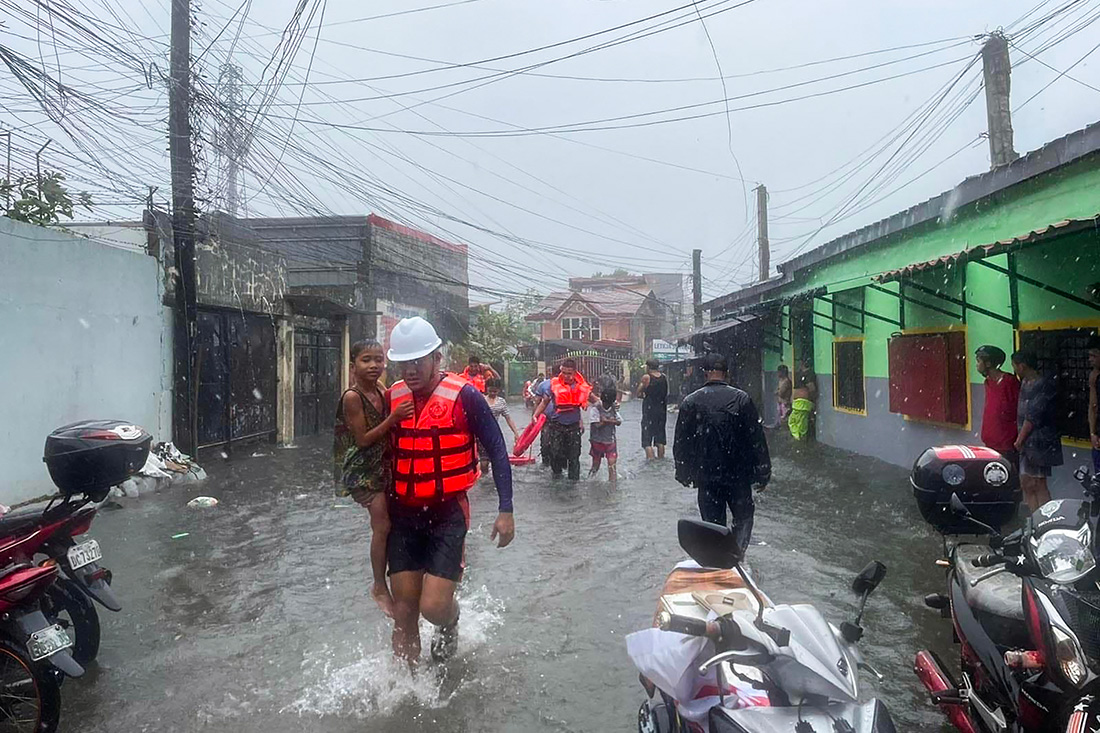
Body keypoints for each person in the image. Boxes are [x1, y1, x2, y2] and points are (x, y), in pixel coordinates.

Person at [384, 317, 515, 663]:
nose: (410, 371)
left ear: (436, 358)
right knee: (404, 610)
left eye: (418, 361)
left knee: (433, 607)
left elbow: (497, 449)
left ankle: (451, 621)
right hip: (403, 514)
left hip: (447, 513)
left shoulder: (465, 395)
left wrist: (506, 509)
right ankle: (406, 684)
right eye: (404, 363)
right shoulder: (392, 396)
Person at [333, 340, 416, 617]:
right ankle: (379, 586)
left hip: (381, 465)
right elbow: (363, 439)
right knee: (382, 525)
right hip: (362, 470)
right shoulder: (353, 397)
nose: (373, 366)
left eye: (378, 360)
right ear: (352, 365)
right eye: (366, 360)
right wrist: (393, 418)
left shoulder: (380, 389)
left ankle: (399, 573)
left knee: (392, 522)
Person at [674, 353, 771, 553]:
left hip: (706, 476)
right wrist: (763, 472)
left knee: (712, 524)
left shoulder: (690, 402)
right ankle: (738, 554)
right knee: (743, 518)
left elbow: (681, 443)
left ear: (705, 374)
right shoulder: (742, 399)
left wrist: (683, 472)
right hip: (739, 475)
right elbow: (756, 439)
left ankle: (719, 559)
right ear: (727, 374)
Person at [1011, 349, 1063, 512]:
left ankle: (1046, 517)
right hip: (1027, 442)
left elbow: (1033, 415)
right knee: (1026, 482)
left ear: (1022, 366)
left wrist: (1019, 439)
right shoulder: (1025, 382)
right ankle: (1034, 517)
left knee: (1039, 483)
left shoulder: (1043, 384)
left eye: (1015, 366)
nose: (1014, 370)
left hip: (1040, 441)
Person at [532, 359, 595, 480]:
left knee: (574, 457)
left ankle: (573, 483)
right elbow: (544, 402)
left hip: (573, 427)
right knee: (555, 455)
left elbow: (595, 400)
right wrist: (535, 415)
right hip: (556, 426)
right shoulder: (553, 385)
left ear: (575, 372)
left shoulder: (580, 387)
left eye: (569, 373)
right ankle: (556, 480)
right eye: (564, 373)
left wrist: (611, 406)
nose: (566, 376)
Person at [975, 345, 1021, 468]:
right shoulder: (988, 382)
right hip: (990, 442)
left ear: (988, 363)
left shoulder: (1010, 382)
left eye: (979, 361)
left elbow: (1020, 410)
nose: (976, 365)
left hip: (1007, 443)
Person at [481, 377, 520, 474]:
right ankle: (484, 478)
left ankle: (495, 479)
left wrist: (516, 433)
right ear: (486, 389)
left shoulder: (501, 402)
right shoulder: (482, 400)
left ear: (498, 390)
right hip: (482, 434)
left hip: (495, 434)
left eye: (495, 391)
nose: (492, 393)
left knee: (497, 461)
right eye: (490, 391)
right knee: (484, 463)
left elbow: (508, 418)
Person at [637, 358, 669, 460]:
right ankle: (661, 460)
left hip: (649, 411)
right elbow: (665, 393)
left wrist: (644, 396)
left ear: (648, 367)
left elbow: (638, 392)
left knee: (647, 441)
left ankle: (651, 462)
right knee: (660, 440)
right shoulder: (664, 377)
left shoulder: (646, 377)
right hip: (661, 411)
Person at [588, 387, 621, 482]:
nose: (607, 406)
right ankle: (589, 481)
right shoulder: (595, 408)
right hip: (597, 441)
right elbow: (596, 425)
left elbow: (619, 421)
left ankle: (613, 487)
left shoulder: (614, 407)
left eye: (609, 404)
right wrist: (608, 421)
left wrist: (606, 421)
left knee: (612, 466)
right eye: (605, 404)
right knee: (596, 465)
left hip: (610, 440)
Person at [788, 373, 815, 441]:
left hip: (801, 407)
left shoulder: (803, 387)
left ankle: (799, 436)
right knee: (800, 423)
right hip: (801, 407)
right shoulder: (804, 388)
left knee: (800, 423)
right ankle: (799, 435)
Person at [1089, 335, 1100, 474]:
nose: (1090, 359)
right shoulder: (1094, 376)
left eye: (1094, 356)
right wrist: (1093, 433)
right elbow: (1092, 406)